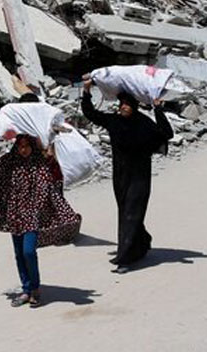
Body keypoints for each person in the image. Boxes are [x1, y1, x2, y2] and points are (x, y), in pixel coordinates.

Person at [81, 79, 173, 272]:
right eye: (121, 104)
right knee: (126, 212)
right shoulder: (114, 122)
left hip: (140, 177)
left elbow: (166, 133)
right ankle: (142, 242)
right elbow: (90, 114)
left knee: (131, 214)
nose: (123, 107)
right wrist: (87, 90)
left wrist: (157, 109)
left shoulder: (144, 124)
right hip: (120, 176)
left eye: (127, 104)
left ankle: (125, 259)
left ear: (134, 107)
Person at [0, 133, 81, 307]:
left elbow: (56, 177)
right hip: (15, 215)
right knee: (19, 254)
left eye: (27, 146)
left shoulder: (40, 163)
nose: (24, 150)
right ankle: (26, 290)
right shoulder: (9, 162)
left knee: (28, 252)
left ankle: (35, 288)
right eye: (20, 146)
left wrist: (50, 151)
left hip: (33, 215)